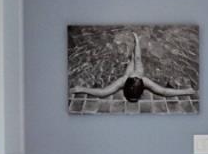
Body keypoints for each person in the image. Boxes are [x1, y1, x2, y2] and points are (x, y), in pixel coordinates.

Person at [69, 31, 197, 103]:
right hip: (131, 75)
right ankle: (135, 44)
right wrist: (186, 91)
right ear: (141, 83)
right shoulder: (141, 78)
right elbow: (164, 91)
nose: (135, 74)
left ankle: (133, 47)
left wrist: (81, 88)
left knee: (135, 59)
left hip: (128, 76)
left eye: (134, 76)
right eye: (135, 76)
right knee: (137, 60)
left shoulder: (124, 80)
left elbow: (103, 92)